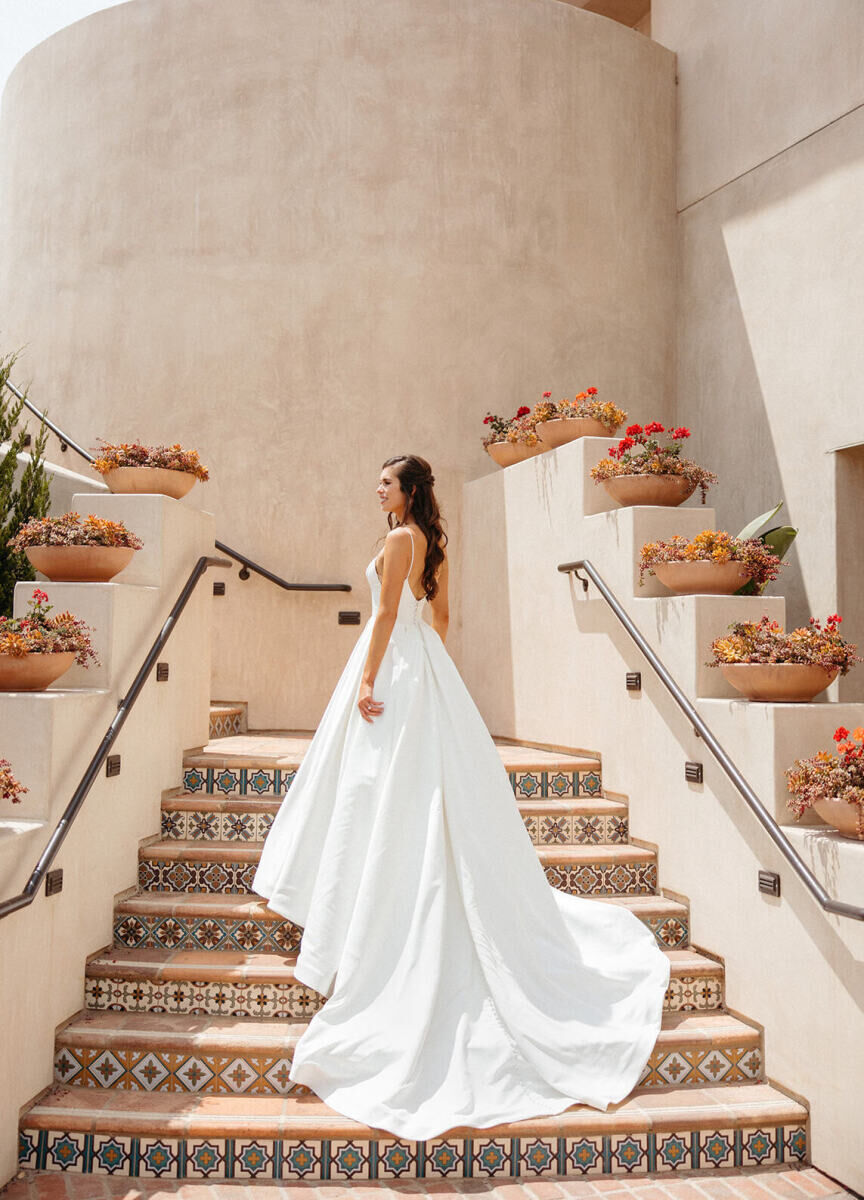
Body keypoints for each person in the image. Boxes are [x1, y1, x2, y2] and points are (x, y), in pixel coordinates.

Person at [253, 453, 670, 1140]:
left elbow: (386, 613)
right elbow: (439, 617)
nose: (375, 488)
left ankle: (360, 901)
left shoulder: (396, 539)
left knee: (375, 792)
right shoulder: (433, 544)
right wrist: (425, 675)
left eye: (385, 482)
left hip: (390, 666)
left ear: (408, 491)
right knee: (407, 792)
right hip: (428, 672)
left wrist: (371, 679)